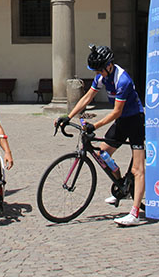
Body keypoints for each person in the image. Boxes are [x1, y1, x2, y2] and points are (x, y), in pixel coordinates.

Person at [56, 44, 145, 226]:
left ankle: (134, 213)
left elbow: (116, 112)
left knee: (138, 169)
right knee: (101, 153)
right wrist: (69, 115)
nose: (97, 73)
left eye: (99, 69)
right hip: (122, 122)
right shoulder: (101, 77)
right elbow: (88, 97)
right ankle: (122, 186)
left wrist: (94, 125)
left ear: (109, 65)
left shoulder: (123, 80)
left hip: (135, 120)